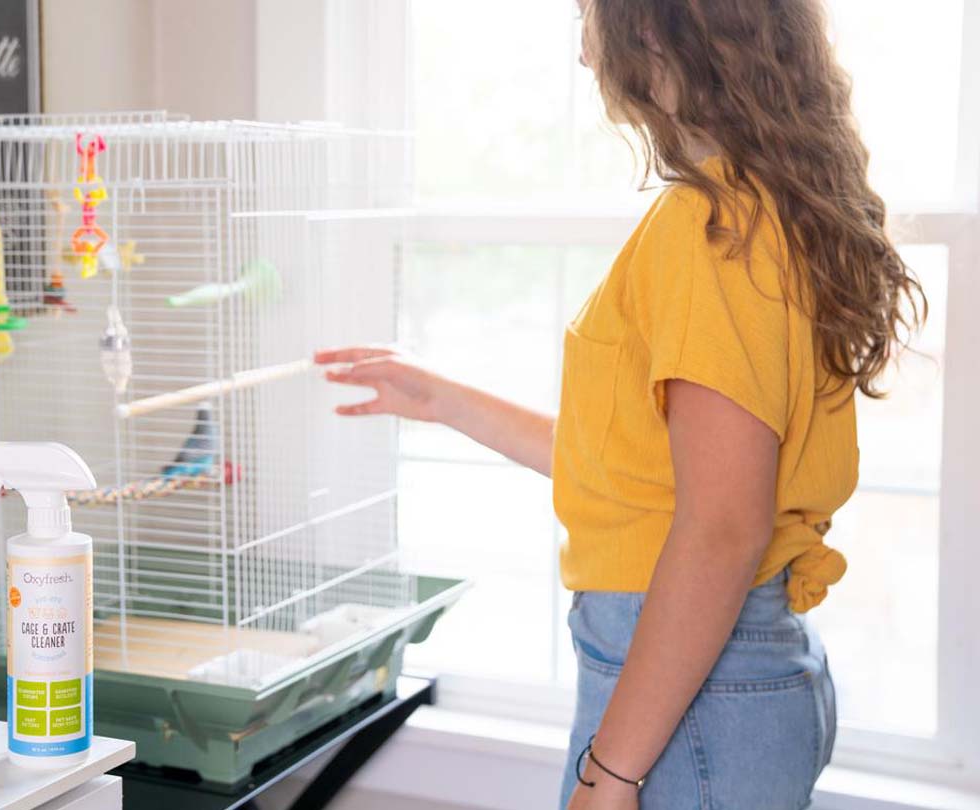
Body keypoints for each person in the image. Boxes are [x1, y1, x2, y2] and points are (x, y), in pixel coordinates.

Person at [316, 0, 924, 807]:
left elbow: (720, 528)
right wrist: (440, 398)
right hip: (718, 680)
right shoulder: (762, 211)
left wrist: (610, 774)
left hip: (689, 694)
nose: (583, 55)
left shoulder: (710, 227)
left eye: (585, 18)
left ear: (648, 29)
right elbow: (645, 476)